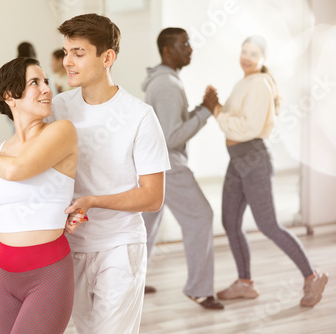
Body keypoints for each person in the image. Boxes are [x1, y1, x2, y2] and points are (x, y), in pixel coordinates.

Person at [47, 14, 170, 333]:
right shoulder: (59, 108)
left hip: (119, 244)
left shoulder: (140, 116)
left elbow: (153, 196)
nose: (68, 61)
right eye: (65, 52)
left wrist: (92, 201)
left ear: (107, 57)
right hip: (70, 248)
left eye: (78, 52)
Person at [214, 35, 328, 307]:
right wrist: (217, 105)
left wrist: (216, 111)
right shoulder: (244, 83)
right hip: (237, 159)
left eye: (254, 53)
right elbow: (231, 118)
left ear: (264, 59)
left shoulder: (260, 84)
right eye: (244, 51)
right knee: (230, 222)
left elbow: (248, 128)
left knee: (267, 224)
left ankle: (312, 276)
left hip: (253, 158)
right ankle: (245, 283)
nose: (247, 57)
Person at [0, 57, 78, 333]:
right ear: (9, 96)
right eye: (34, 83)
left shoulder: (61, 131)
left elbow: (17, 170)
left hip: (47, 274)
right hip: (1, 274)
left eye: (46, 82)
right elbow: (5, 170)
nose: (46, 89)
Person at [140, 28, 224, 310]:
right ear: (167, 50)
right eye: (184, 44)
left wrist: (201, 107)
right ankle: (199, 289)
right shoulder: (167, 85)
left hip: (155, 163)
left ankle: (133, 283)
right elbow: (171, 137)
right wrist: (205, 112)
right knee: (201, 216)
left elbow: (170, 125)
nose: (190, 49)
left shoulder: (164, 81)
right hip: (168, 165)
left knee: (146, 226)